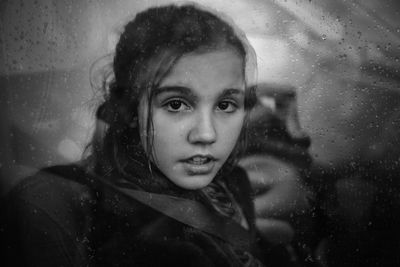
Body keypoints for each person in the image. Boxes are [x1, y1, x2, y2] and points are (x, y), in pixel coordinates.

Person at [1, 3, 265, 266]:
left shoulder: (232, 188)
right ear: (130, 107)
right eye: (176, 104)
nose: (206, 134)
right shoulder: (51, 202)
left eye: (225, 105)